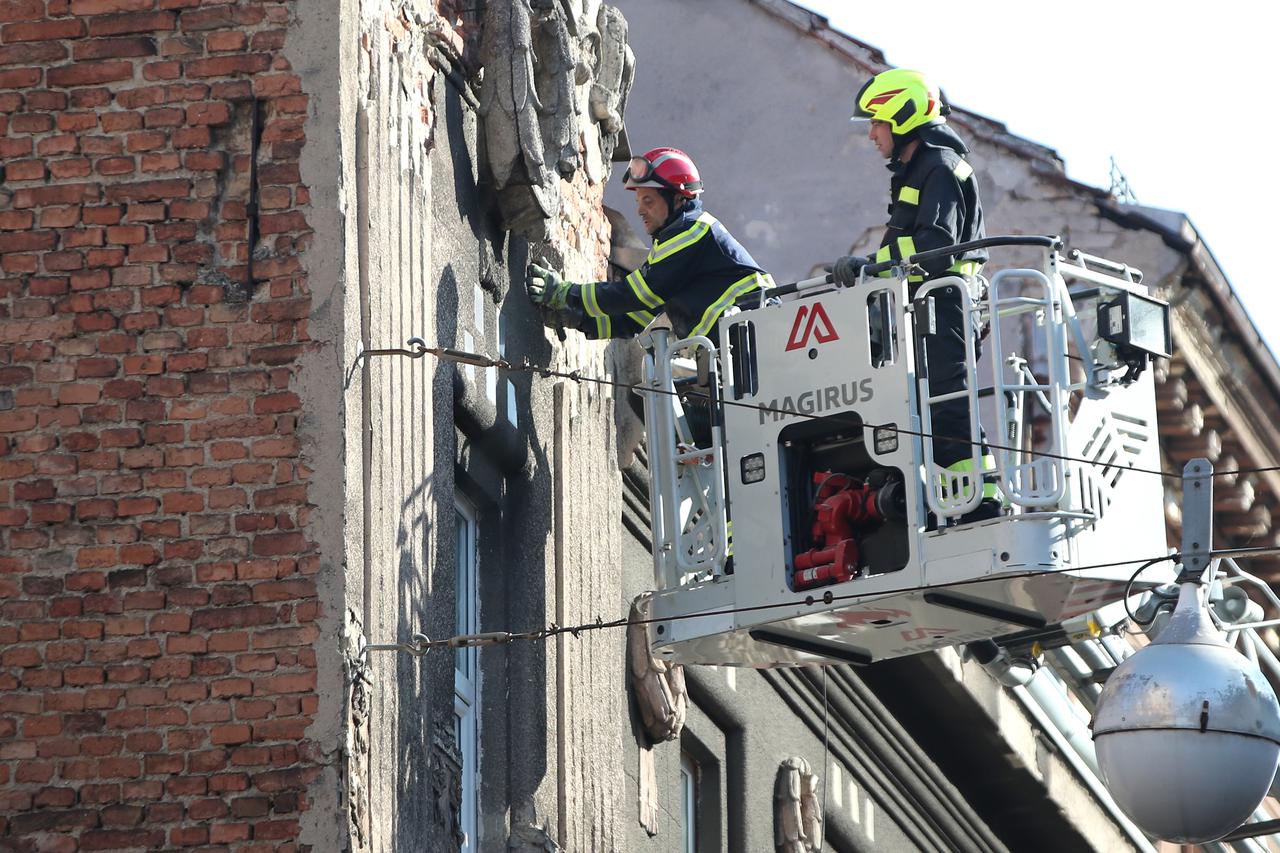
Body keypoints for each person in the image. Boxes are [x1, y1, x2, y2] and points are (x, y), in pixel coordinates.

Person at [835, 68, 999, 521]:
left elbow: (936, 246)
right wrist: (875, 263)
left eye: (875, 122)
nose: (870, 134)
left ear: (902, 116)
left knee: (947, 399)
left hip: (944, 301)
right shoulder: (920, 169)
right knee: (927, 402)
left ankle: (979, 500)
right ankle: (951, 495)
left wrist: (872, 263)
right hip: (925, 302)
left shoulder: (939, 168)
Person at [525, 146, 771, 347]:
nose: (640, 209)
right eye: (639, 200)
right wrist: (577, 318)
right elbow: (634, 318)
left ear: (677, 198)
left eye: (648, 200)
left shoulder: (694, 231)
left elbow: (638, 295)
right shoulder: (675, 249)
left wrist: (566, 293)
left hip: (755, 337)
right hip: (736, 349)